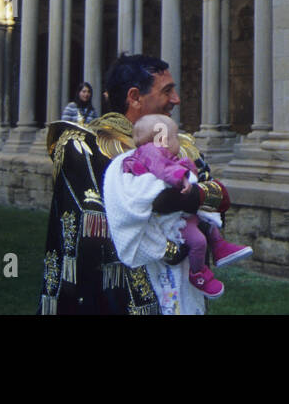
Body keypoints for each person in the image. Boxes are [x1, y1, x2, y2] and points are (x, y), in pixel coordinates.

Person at [39, 54, 231, 315]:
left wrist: (181, 201)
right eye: (167, 91)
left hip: (182, 297)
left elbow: (218, 201)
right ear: (135, 96)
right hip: (118, 299)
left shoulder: (181, 143)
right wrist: (178, 233)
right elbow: (95, 225)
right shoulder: (86, 145)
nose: (176, 99)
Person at [111, 113, 252, 299]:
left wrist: (188, 170)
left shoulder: (162, 153)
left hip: (183, 213)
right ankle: (199, 275)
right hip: (169, 223)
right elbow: (163, 172)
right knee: (198, 241)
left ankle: (220, 248)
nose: (175, 99)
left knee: (207, 221)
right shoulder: (151, 152)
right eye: (174, 137)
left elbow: (216, 195)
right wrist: (183, 177)